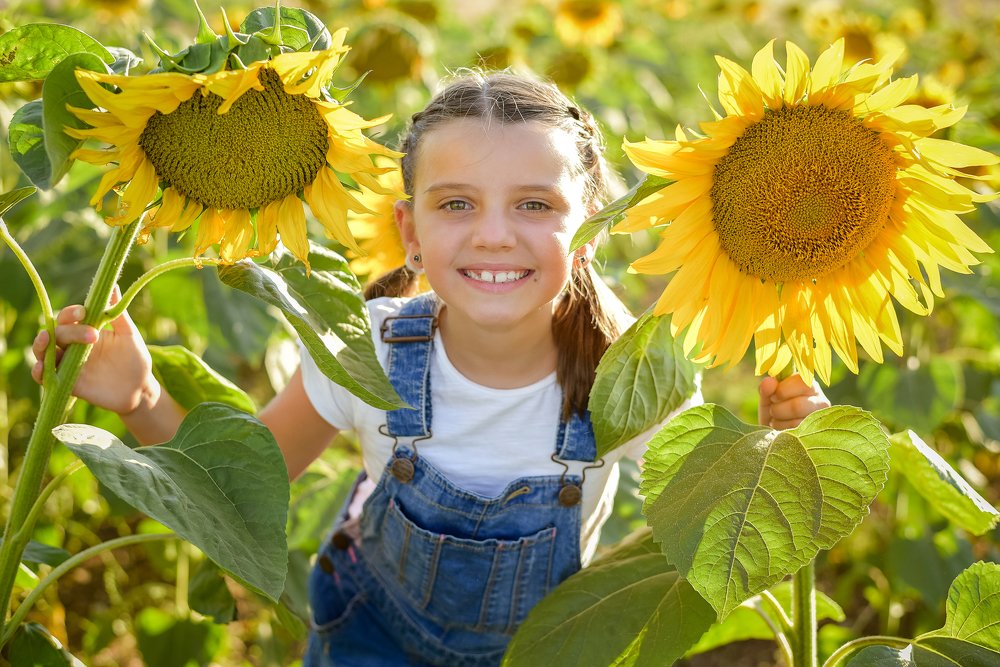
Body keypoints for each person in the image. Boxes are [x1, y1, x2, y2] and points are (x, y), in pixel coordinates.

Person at [33, 71, 830, 666]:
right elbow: (241, 496)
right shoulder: (370, 349)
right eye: (456, 204)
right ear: (408, 231)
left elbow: (717, 531)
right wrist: (139, 397)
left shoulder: (632, 377)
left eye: (535, 204)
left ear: (590, 230)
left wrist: (781, 452)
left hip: (540, 652)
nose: (492, 235)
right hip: (367, 638)